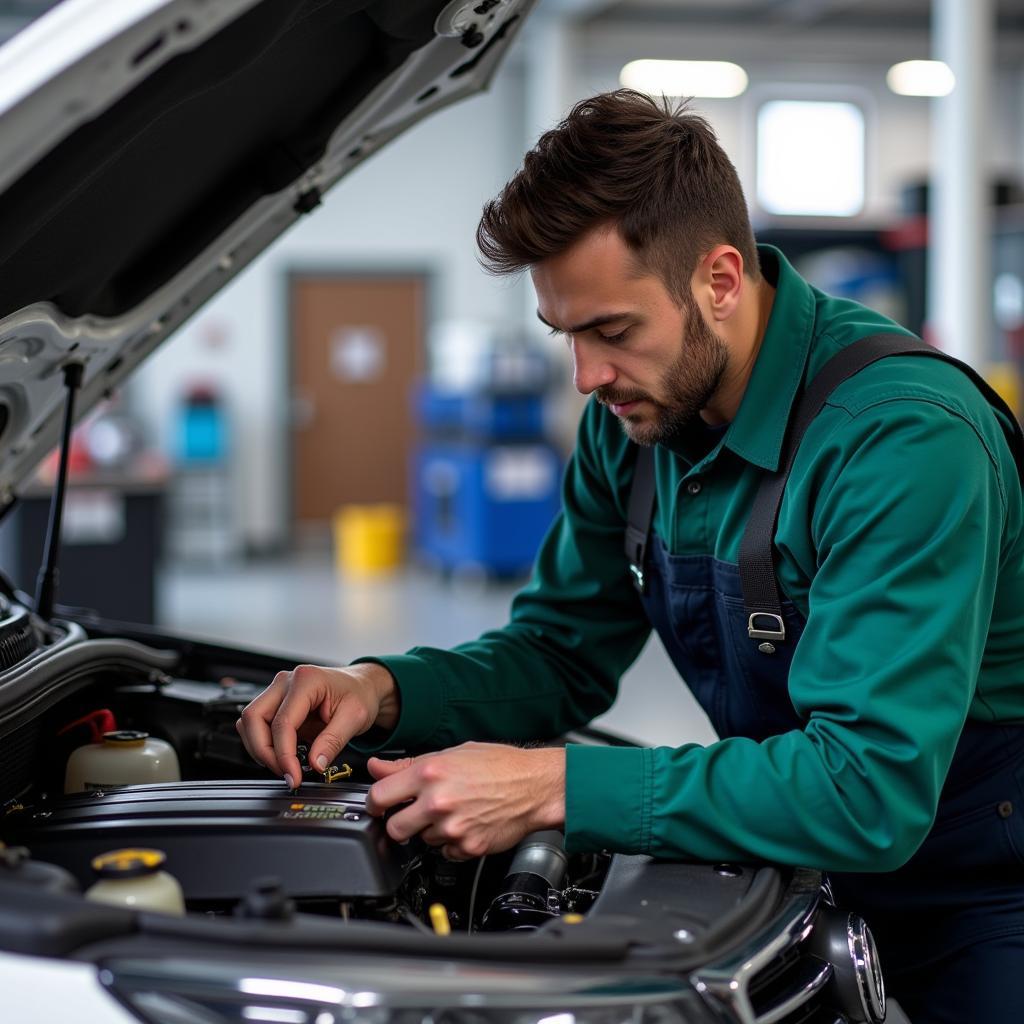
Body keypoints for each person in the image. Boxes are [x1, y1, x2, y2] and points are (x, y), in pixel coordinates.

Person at [237, 90, 1024, 1021]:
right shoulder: (638, 424)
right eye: (566, 334)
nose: (587, 377)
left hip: (982, 890)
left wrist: (553, 786)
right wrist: (381, 689)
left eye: (613, 331)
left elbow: (867, 787)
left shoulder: (899, 441)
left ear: (720, 281)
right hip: (797, 865)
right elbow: (558, 654)